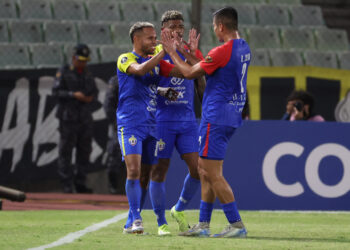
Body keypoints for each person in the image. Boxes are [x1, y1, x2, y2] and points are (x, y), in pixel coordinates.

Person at [160, 6, 250, 238]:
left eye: (214, 27)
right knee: (204, 169)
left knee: (212, 172)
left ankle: (236, 224)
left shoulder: (222, 50)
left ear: (220, 26)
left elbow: (191, 74)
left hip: (216, 116)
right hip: (231, 114)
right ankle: (203, 223)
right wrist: (189, 52)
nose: (214, 30)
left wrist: (172, 53)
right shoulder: (243, 47)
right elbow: (207, 69)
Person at [116, 22, 177, 235]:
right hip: (130, 123)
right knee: (133, 170)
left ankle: (131, 219)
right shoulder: (126, 59)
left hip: (152, 124)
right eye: (150, 38)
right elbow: (141, 71)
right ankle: (137, 220)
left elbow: (150, 84)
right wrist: (165, 52)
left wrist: (163, 91)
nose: (154, 42)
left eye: (155, 38)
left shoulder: (155, 59)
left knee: (146, 174)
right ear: (137, 39)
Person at [149, 10, 206, 236]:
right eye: (173, 27)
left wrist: (190, 53)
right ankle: (161, 222)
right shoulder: (156, 53)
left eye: (180, 27)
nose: (178, 31)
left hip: (187, 121)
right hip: (162, 120)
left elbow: (203, 72)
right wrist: (162, 90)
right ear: (163, 29)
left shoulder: (187, 51)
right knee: (160, 170)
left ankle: (178, 209)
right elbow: (144, 84)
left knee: (198, 169)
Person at [52, 43, 98, 194]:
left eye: (85, 60)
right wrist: (73, 95)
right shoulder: (64, 72)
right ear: (73, 58)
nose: (83, 63)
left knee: (84, 151)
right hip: (68, 118)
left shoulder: (88, 74)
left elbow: (94, 92)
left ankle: (80, 183)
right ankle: (66, 184)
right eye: (80, 60)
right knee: (66, 151)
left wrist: (89, 97)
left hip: (84, 118)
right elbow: (56, 92)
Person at [103, 75, 126, 194]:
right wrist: (117, 122)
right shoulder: (116, 80)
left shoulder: (144, 75)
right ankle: (114, 188)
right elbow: (108, 105)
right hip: (121, 123)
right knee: (115, 153)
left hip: (140, 122)